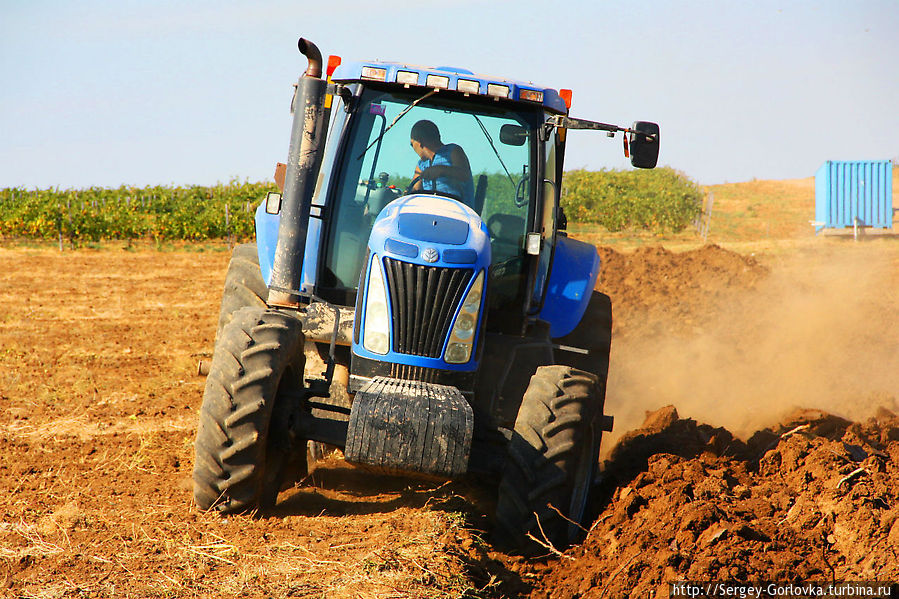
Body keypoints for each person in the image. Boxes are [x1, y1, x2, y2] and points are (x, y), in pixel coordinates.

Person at [409, 120, 475, 207]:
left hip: (459, 213)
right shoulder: (421, 165)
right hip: (432, 212)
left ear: (420, 143)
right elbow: (414, 191)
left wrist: (441, 170)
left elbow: (464, 175)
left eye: (412, 144)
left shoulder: (453, 151)